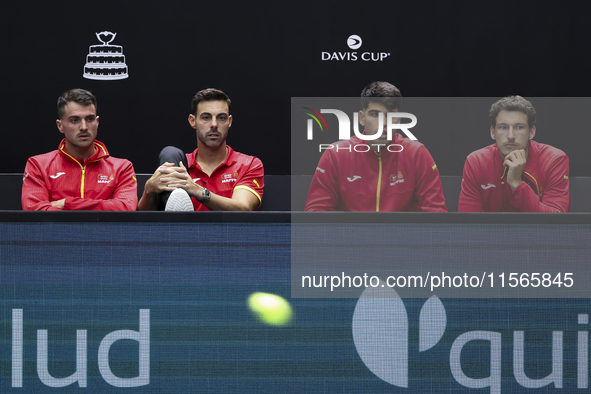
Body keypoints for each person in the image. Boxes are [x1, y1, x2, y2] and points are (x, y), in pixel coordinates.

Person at [305, 81, 447, 212]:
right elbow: (316, 214)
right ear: (362, 118)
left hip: (403, 239)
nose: (384, 123)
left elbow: (436, 215)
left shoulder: (417, 154)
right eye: (375, 115)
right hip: (350, 238)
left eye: (391, 115)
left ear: (399, 119)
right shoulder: (336, 154)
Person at [138, 88, 264, 211]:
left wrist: (198, 191)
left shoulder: (249, 164)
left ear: (229, 122)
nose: (214, 124)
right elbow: (144, 223)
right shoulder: (179, 167)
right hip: (185, 232)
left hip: (228, 232)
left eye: (221, 118)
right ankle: (179, 221)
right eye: (206, 117)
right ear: (193, 121)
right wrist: (149, 190)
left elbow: (244, 208)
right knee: (169, 152)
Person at [22, 89, 137, 211]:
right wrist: (104, 206)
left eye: (89, 119)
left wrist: (66, 203)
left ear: (97, 122)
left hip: (104, 231)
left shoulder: (122, 168)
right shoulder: (38, 165)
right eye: (75, 120)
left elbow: (126, 208)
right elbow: (35, 213)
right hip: (58, 231)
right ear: (60, 125)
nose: (83, 127)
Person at [458, 95, 569, 212]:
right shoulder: (476, 162)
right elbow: (467, 223)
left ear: (531, 132)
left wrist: (516, 183)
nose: (511, 136)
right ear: (493, 132)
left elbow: (556, 223)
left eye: (519, 127)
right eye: (503, 127)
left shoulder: (554, 160)